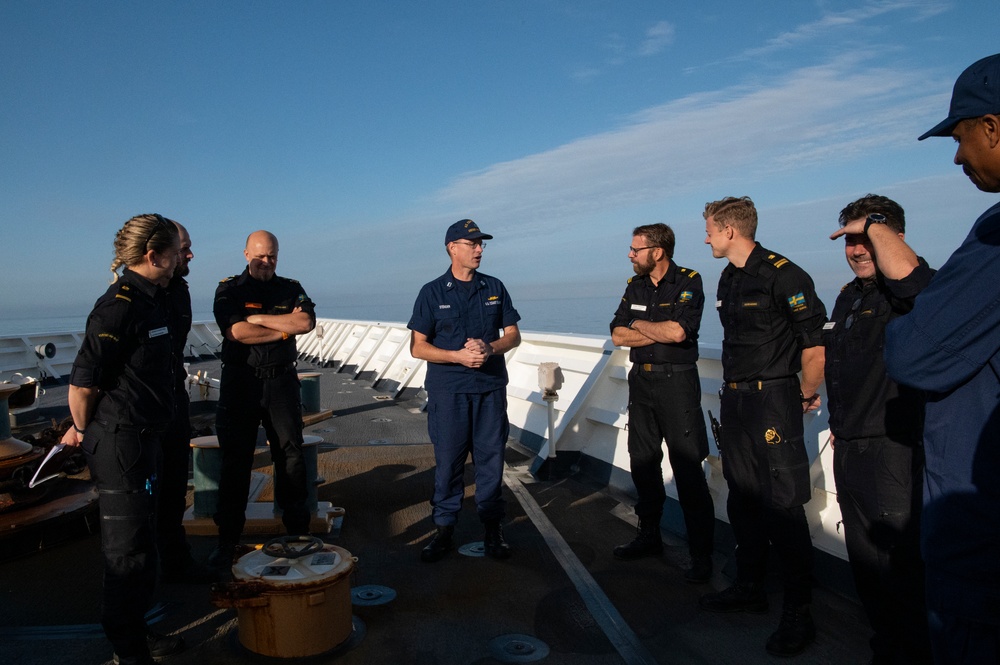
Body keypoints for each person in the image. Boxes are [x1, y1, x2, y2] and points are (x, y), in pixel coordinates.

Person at [884, 53, 1000, 664]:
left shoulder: (996, 233)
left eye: (959, 137)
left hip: (981, 544)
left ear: (992, 127)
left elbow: (913, 353)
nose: (959, 157)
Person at [699, 196, 826, 657]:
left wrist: (806, 393)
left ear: (730, 230)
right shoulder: (730, 275)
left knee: (785, 505)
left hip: (773, 400)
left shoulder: (785, 275)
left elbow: (814, 345)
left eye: (710, 228)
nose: (706, 236)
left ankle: (799, 612)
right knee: (743, 496)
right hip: (735, 398)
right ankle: (749, 587)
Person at [61, 214, 186, 665]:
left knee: (142, 546)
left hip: (143, 439)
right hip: (121, 444)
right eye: (174, 253)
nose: (180, 260)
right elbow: (82, 386)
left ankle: (138, 633)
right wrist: (81, 427)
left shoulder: (153, 300)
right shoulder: (119, 305)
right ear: (153, 256)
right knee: (126, 555)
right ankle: (129, 653)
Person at [825, 195, 933, 665]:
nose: (857, 248)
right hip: (848, 444)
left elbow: (914, 283)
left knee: (902, 567)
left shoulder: (909, 289)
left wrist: (876, 230)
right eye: (850, 240)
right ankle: (887, 650)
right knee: (866, 563)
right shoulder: (849, 296)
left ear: (894, 237)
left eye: (867, 237)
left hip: (893, 451)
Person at [408, 219, 522, 562]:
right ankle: (443, 529)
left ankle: (492, 529)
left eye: (481, 244)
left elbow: (513, 335)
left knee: (491, 461)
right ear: (451, 248)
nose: (479, 249)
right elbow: (418, 347)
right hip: (449, 392)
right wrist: (456, 356)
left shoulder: (495, 287)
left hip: (489, 390)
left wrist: (490, 348)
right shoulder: (432, 292)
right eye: (472, 244)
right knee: (449, 463)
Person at [609, 223, 716, 583]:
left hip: (677, 382)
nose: (630, 254)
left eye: (636, 249)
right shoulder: (634, 285)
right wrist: (653, 328)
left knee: (687, 469)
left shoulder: (688, 281)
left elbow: (679, 332)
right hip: (641, 381)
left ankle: (701, 555)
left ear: (657, 251)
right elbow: (616, 334)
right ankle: (649, 535)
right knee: (643, 461)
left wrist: (638, 323)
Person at [208, 230, 316, 567]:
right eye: (260, 256)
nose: (266, 262)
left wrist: (261, 321)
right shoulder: (230, 288)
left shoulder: (290, 286)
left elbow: (305, 321)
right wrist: (283, 328)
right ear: (245, 254)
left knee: (290, 455)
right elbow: (237, 331)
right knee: (236, 460)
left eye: (272, 256)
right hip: (242, 382)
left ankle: (297, 530)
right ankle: (228, 539)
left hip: (281, 382)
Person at [156, 220, 215, 584]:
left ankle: (178, 563)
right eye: (185, 248)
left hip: (174, 399)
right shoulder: (135, 298)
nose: (191, 254)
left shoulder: (179, 291)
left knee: (175, 485)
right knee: (149, 492)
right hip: (145, 409)